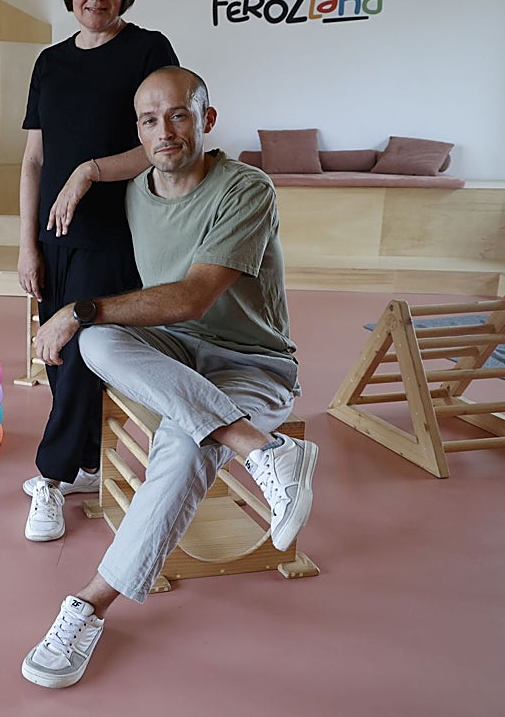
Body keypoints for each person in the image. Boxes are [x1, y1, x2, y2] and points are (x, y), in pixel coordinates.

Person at [20, 66, 320, 689]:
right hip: (175, 356)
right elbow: (82, 178)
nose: (166, 131)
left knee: (184, 439)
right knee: (100, 341)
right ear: (139, 133)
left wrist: (76, 311)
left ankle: (88, 605)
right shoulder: (136, 192)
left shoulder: (247, 189)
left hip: (255, 363)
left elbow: (191, 298)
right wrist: (83, 172)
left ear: (206, 120)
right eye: (150, 120)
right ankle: (263, 451)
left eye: (179, 114)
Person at [18, 0, 178, 544]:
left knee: (82, 352)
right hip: (52, 239)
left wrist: (89, 172)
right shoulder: (49, 63)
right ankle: (86, 463)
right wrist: (26, 244)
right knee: (58, 358)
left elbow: (158, 144)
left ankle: (50, 480)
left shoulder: (148, 50)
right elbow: (33, 160)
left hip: (114, 235)